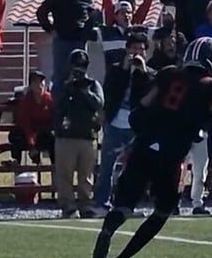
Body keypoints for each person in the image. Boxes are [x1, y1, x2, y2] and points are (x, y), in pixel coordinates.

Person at [91, 36, 212, 258]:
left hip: (144, 145)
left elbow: (142, 106)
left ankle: (107, 231)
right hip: (172, 155)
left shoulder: (168, 74)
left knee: (125, 203)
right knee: (162, 211)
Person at [93, 33, 154, 209]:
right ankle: (101, 202)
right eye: (134, 49)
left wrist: (142, 72)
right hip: (115, 123)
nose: (137, 53)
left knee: (135, 168)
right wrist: (124, 70)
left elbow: (151, 94)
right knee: (107, 165)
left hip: (136, 126)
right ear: (127, 50)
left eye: (141, 49)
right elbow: (109, 91)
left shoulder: (150, 74)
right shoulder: (115, 69)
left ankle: (129, 203)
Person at [55, 50, 104, 219]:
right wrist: (68, 87)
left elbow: (98, 104)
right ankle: (67, 205)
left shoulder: (92, 84)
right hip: (66, 135)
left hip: (87, 135)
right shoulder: (63, 83)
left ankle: (85, 205)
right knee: (65, 174)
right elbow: (57, 105)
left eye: (82, 66)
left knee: (86, 175)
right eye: (77, 65)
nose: (79, 69)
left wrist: (85, 92)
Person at [36, 0, 95, 93]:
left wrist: (88, 32)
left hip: (80, 42)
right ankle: (57, 108)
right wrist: (50, 29)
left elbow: (93, 17)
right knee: (60, 77)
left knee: (80, 76)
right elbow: (41, 12)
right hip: (62, 41)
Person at [9, 71, 55, 166]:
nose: (39, 85)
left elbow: (54, 119)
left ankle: (55, 165)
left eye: (41, 82)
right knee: (15, 135)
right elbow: (26, 124)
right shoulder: (27, 101)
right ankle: (16, 161)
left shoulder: (49, 99)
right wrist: (31, 145)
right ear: (30, 85)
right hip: (30, 135)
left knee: (52, 137)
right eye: (35, 82)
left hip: (45, 134)